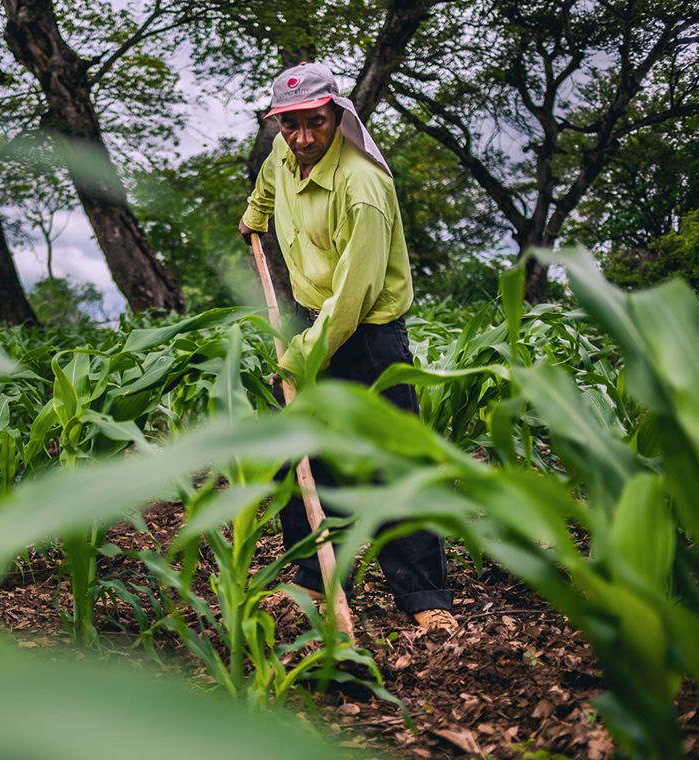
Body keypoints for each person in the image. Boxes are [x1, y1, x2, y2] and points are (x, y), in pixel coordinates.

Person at [239, 62, 457, 630]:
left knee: (391, 463)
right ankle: (311, 580)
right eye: (290, 127)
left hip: (368, 337)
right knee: (306, 457)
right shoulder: (283, 157)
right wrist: (255, 214)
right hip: (312, 320)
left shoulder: (364, 187)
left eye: (315, 123)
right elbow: (267, 182)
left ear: (337, 113)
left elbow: (355, 295)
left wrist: (301, 355)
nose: (304, 138)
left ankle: (425, 599)